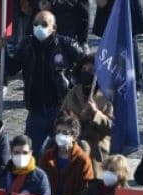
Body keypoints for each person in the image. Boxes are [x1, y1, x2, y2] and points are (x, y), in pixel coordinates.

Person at [6, 10, 84, 152]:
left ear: (53, 27)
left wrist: (74, 86)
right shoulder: (26, 45)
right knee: (32, 153)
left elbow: (86, 63)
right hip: (36, 110)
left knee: (62, 151)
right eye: (36, 24)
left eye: (44, 24)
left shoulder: (66, 44)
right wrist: (3, 50)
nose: (39, 27)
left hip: (60, 110)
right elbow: (11, 69)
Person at [39, 113, 94, 195]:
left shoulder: (83, 160)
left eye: (65, 133)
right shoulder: (47, 157)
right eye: (58, 132)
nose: (60, 135)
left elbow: (85, 191)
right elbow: (40, 184)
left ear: (74, 136)